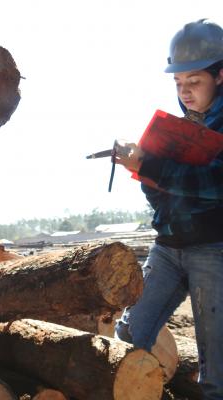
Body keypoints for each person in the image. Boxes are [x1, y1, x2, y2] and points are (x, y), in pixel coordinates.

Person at [114, 19, 223, 399]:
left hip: (214, 251)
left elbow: (212, 184)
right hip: (167, 249)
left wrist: (152, 167)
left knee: (216, 373)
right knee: (126, 339)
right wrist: (143, 168)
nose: (185, 92)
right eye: (178, 83)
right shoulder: (181, 127)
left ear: (220, 75)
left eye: (194, 82)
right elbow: (165, 195)